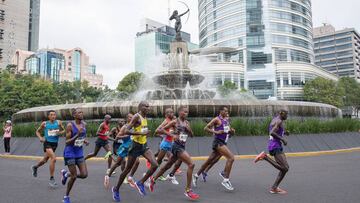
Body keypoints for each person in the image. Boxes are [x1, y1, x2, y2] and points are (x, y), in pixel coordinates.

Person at [111, 101, 159, 202]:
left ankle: (140, 182)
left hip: (144, 146)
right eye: (146, 106)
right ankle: (116, 189)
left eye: (149, 106)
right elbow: (126, 130)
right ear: (141, 107)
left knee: (155, 164)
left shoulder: (145, 117)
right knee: (127, 170)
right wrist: (140, 133)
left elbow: (142, 131)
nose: (148, 108)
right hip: (135, 146)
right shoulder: (136, 117)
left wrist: (145, 133)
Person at [151, 106, 200, 200]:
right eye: (185, 112)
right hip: (176, 147)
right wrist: (172, 135)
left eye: (187, 112)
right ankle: (188, 190)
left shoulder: (186, 122)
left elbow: (192, 135)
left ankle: (153, 179)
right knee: (191, 164)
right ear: (180, 112)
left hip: (182, 146)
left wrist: (189, 130)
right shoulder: (175, 121)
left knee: (168, 165)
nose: (186, 113)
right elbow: (162, 129)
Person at [193, 107, 235, 190]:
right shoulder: (216, 119)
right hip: (218, 142)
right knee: (231, 158)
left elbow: (228, 133)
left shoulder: (226, 121)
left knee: (209, 161)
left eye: (227, 111)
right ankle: (225, 180)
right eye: (225, 111)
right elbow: (205, 128)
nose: (227, 112)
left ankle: (196, 175)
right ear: (221, 111)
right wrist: (216, 132)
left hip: (223, 142)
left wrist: (232, 132)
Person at [254, 110, 290, 194]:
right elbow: (272, 132)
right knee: (285, 168)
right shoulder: (279, 121)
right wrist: (282, 139)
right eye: (286, 114)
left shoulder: (275, 119)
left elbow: (273, 129)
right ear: (282, 114)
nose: (287, 116)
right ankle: (265, 157)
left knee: (285, 168)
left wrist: (284, 133)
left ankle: (274, 188)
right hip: (275, 146)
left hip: (275, 145)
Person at [60, 108, 89, 203]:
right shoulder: (70, 125)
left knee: (84, 175)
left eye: (82, 112)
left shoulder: (84, 124)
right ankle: (66, 196)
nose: (81, 114)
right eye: (79, 112)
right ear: (74, 115)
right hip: (70, 152)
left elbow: (82, 136)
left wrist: (84, 140)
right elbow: (67, 142)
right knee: (74, 176)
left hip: (79, 152)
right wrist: (77, 135)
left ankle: (66, 174)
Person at [104, 113, 140, 189]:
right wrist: (127, 136)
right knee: (118, 163)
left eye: (132, 117)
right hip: (124, 147)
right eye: (130, 117)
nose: (132, 118)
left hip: (132, 147)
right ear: (127, 119)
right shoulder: (124, 127)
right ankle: (108, 176)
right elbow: (117, 137)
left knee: (137, 162)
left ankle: (130, 177)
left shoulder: (134, 126)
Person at [31, 110, 65, 187]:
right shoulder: (45, 124)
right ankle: (52, 179)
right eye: (51, 115)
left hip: (55, 144)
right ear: (48, 116)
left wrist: (60, 133)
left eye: (54, 115)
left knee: (45, 160)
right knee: (53, 158)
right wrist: (40, 138)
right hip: (47, 143)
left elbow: (64, 130)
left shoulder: (59, 122)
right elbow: (37, 131)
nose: (53, 116)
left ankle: (35, 167)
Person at [154, 108, 182, 184]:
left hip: (171, 144)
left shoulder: (172, 122)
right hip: (165, 144)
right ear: (166, 114)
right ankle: (150, 175)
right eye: (169, 112)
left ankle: (171, 175)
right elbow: (157, 131)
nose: (172, 113)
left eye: (172, 112)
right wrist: (169, 134)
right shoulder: (166, 121)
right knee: (158, 162)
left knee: (178, 159)